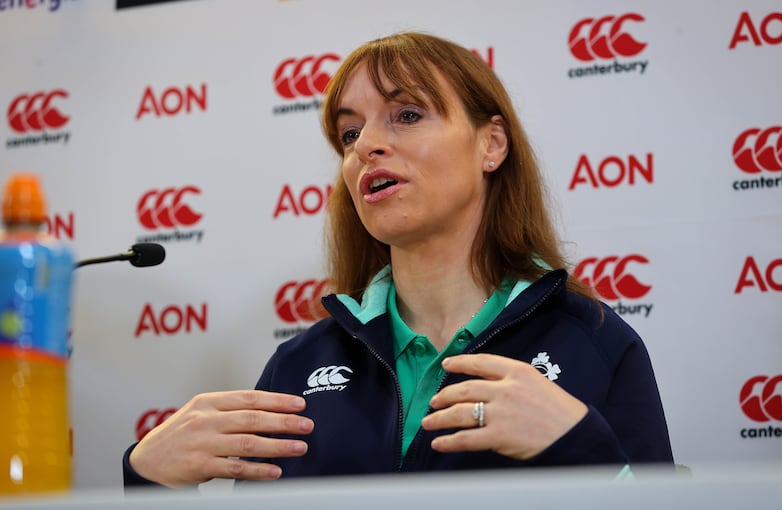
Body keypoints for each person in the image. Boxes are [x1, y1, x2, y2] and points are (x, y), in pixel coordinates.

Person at [123, 31, 673, 489]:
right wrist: (147, 483)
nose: (366, 146)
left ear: (492, 145)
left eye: (407, 114)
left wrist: (584, 451)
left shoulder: (598, 344)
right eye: (350, 133)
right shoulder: (295, 366)